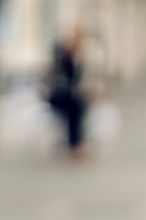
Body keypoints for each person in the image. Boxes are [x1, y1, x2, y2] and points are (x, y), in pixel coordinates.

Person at [45, 26, 87, 157]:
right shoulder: (61, 56)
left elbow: (75, 81)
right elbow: (59, 80)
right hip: (56, 95)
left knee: (78, 106)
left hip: (65, 95)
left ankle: (77, 144)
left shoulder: (74, 57)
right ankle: (74, 146)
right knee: (75, 107)